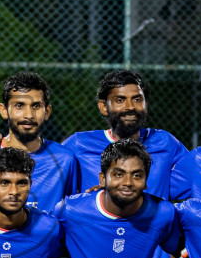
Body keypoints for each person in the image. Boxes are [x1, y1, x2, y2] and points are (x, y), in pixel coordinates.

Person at [54, 140, 181, 258]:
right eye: (118, 174)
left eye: (137, 175)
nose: (127, 182)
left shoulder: (163, 213)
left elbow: (178, 247)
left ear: (146, 181)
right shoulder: (70, 210)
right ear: (102, 179)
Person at [0, 72, 81, 212]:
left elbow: (70, 215)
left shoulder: (64, 159)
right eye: (19, 105)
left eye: (36, 106)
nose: (28, 115)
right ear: (4, 111)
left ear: (47, 112)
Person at [56, 71, 186, 198]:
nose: (130, 107)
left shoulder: (165, 143)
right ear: (103, 107)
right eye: (120, 100)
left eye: (137, 99)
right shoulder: (78, 145)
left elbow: (195, 177)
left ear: (145, 104)